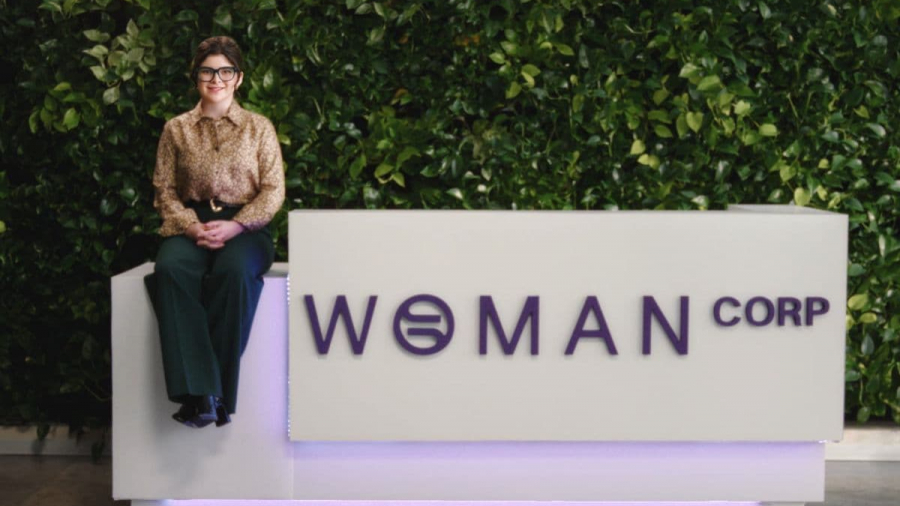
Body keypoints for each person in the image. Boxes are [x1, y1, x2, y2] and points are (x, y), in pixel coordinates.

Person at [144, 36, 285, 428]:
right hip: (191, 223)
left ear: (238, 78)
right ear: (196, 77)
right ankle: (206, 395)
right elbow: (164, 190)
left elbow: (273, 190)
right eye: (207, 71)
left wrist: (237, 224)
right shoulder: (176, 129)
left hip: (246, 225)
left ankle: (208, 395)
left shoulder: (259, 128)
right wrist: (191, 227)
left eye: (225, 71)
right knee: (171, 270)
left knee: (234, 273)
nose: (216, 79)